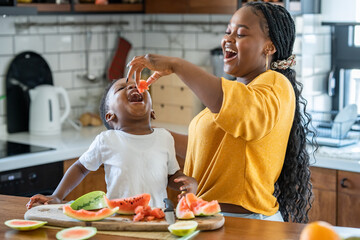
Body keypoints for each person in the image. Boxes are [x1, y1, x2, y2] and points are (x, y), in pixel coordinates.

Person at [127, 2, 314, 223]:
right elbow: (209, 150)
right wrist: (147, 134)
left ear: (269, 47)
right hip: (212, 219)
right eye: (228, 32)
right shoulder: (240, 91)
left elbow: (239, 109)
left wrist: (177, 65)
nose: (228, 39)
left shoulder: (274, 84)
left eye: (241, 34)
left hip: (247, 225)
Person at [26, 78, 198, 209]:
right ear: (110, 116)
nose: (133, 86)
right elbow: (80, 167)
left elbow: (170, 175)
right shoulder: (107, 139)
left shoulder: (165, 137)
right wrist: (57, 196)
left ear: (152, 111)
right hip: (117, 217)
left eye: (138, 85)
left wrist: (186, 182)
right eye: (121, 88)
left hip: (156, 217)